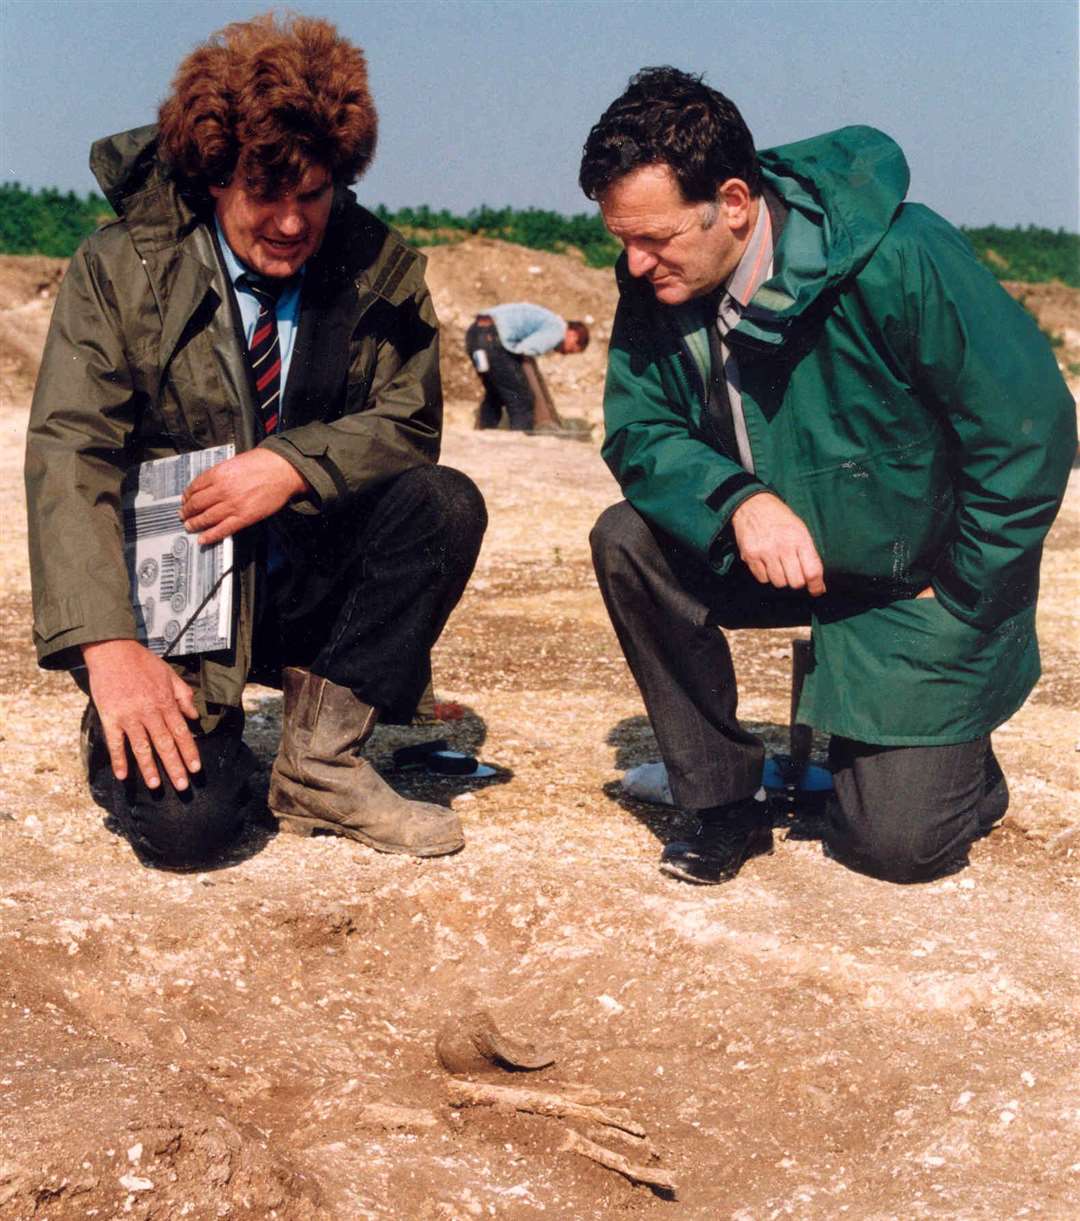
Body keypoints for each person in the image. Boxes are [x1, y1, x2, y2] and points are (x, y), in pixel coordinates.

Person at [580, 68, 1075, 886]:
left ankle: (951, 764)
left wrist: (964, 589)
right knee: (628, 538)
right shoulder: (660, 278)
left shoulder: (905, 255)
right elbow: (639, 428)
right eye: (621, 240)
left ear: (733, 202)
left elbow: (1031, 430)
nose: (634, 265)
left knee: (895, 847)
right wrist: (739, 500)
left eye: (656, 239)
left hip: (911, 581)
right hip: (777, 551)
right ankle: (722, 801)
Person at [24, 13, 487, 869]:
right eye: (262, 194)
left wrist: (290, 464)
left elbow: (411, 420)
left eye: (311, 194)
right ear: (210, 179)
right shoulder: (119, 268)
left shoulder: (377, 265)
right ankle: (142, 714)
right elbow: (69, 452)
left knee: (444, 502)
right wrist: (110, 648)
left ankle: (321, 763)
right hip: (181, 595)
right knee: (188, 834)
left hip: (307, 581)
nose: (287, 222)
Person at [465, 303, 589, 431]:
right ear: (573, 335)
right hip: (492, 338)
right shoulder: (557, 330)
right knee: (523, 400)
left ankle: (484, 432)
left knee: (496, 394)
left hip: (474, 335)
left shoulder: (548, 320)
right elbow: (524, 350)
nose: (565, 353)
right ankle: (520, 443)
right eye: (571, 350)